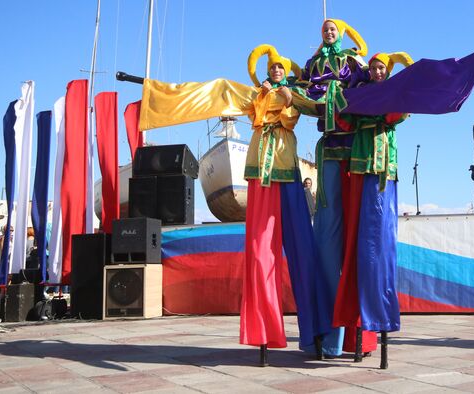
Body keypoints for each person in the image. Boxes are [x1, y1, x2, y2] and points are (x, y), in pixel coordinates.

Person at [138, 44, 331, 364]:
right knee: (259, 252)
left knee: (304, 250)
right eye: (273, 69)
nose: (277, 72)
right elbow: (221, 95)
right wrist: (264, 97)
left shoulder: (293, 94)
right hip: (259, 173)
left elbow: (302, 112)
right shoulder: (254, 95)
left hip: (286, 170)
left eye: (281, 68)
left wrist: (287, 97)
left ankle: (318, 330)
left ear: (287, 71)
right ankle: (264, 333)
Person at [300, 18, 378, 358]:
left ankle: (361, 333)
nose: (329, 34)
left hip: (356, 151)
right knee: (326, 237)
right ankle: (329, 336)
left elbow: (369, 86)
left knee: (359, 236)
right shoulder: (316, 63)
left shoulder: (351, 60)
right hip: (329, 148)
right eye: (324, 32)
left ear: (340, 33)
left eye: (332, 30)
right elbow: (305, 89)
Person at [333, 52, 413, 353]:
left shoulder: (394, 95)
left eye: (383, 68)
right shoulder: (361, 95)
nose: (379, 72)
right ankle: (357, 323)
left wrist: (381, 104)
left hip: (383, 171)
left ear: (388, 72)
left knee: (379, 244)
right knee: (359, 240)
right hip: (360, 167)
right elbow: (343, 119)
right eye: (375, 68)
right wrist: (339, 95)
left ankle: (377, 318)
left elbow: (397, 115)